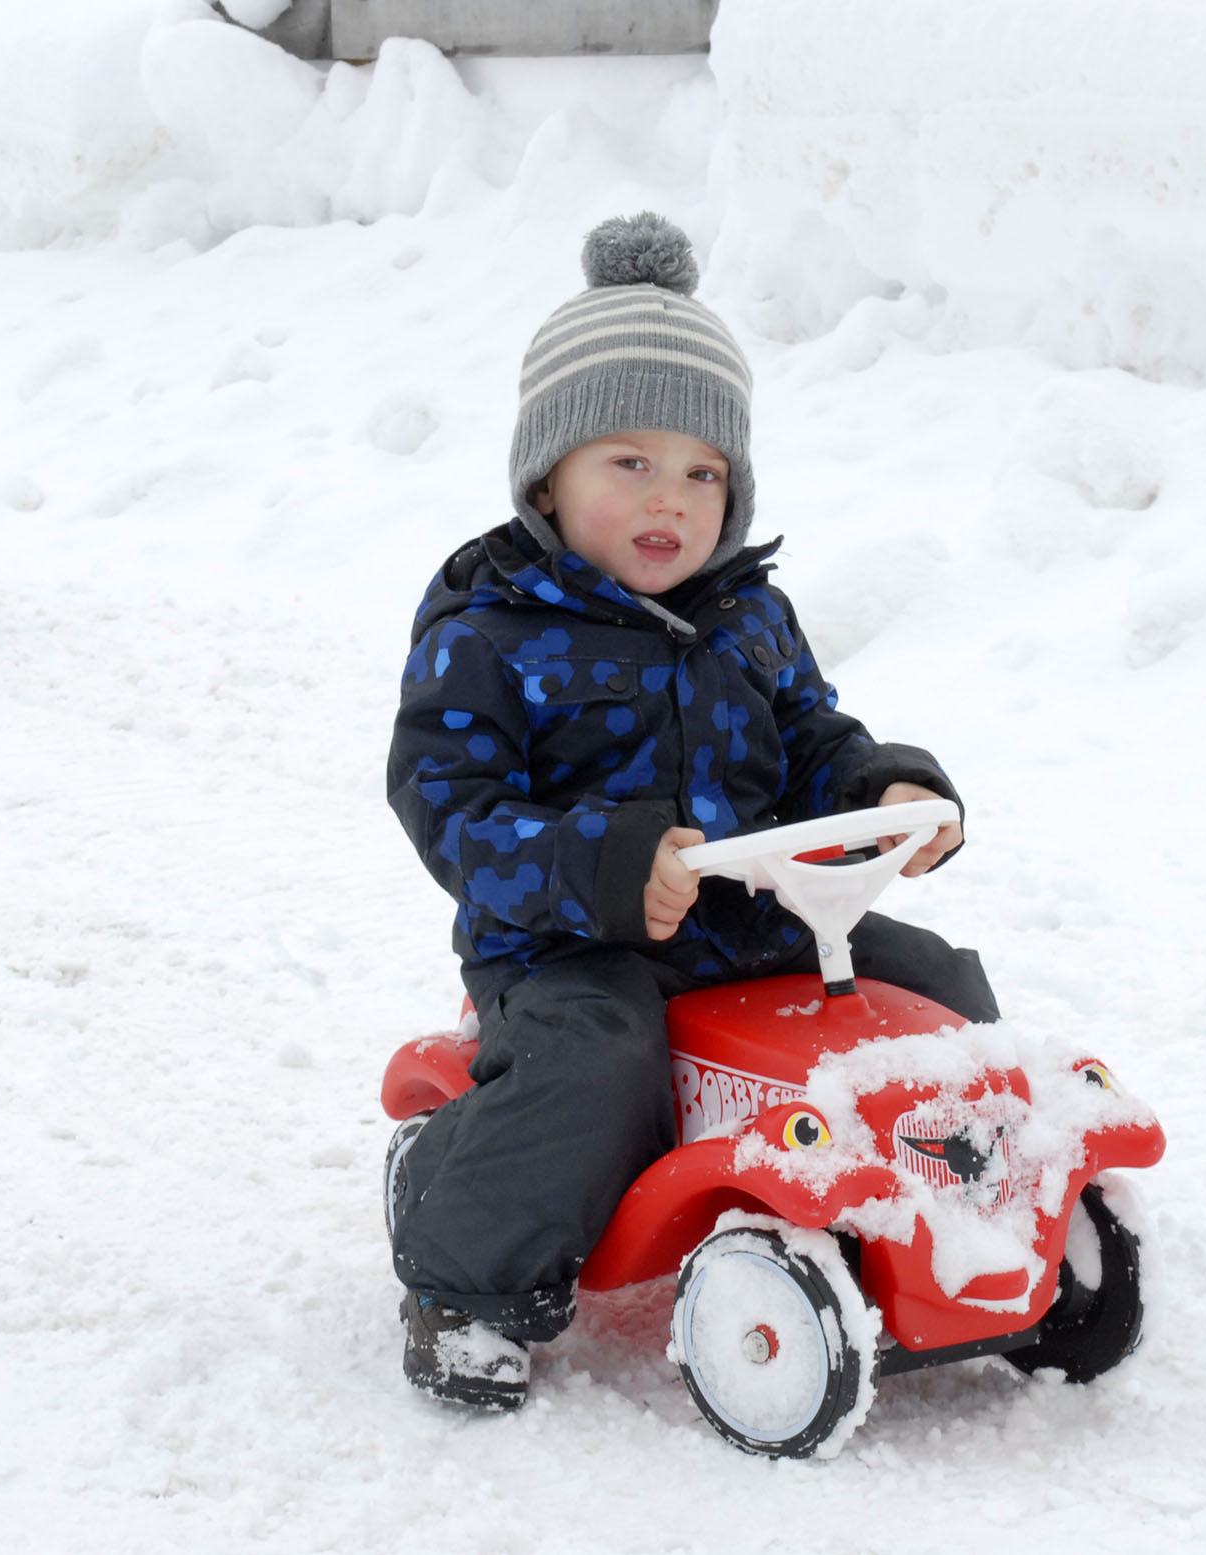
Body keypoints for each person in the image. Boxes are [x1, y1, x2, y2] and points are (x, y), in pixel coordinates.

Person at [383, 212, 1000, 1411]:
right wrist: (607, 865)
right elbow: (450, 808)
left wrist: (881, 790)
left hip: (755, 925)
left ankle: (967, 1208)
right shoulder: (490, 630)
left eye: (702, 472)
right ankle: (467, 1283)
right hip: (570, 944)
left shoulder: (748, 614)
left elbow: (809, 737)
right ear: (548, 475)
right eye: (629, 462)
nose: (669, 497)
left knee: (931, 990)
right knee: (594, 1061)